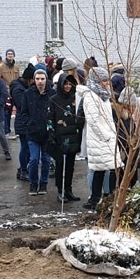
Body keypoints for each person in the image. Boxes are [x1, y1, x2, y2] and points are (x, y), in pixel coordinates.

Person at [80, 67, 123, 209]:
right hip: (101, 139)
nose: (107, 83)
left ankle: (98, 198)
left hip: (106, 137)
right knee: (108, 169)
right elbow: (93, 120)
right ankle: (103, 197)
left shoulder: (102, 95)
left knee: (104, 169)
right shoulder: (91, 96)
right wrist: (106, 136)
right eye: (104, 80)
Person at [47, 72, 83, 202]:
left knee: (70, 166)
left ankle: (69, 189)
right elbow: (50, 119)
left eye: (69, 84)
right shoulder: (54, 100)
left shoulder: (75, 99)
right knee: (60, 165)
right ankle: (60, 190)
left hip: (73, 136)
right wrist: (51, 135)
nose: (67, 86)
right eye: (65, 84)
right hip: (59, 137)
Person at [19, 69, 55, 195]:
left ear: (46, 79)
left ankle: (43, 183)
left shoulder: (52, 93)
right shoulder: (28, 93)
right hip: (32, 133)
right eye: (38, 79)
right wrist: (29, 124)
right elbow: (23, 112)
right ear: (34, 80)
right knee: (34, 159)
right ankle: (33, 183)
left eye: (42, 79)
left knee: (46, 159)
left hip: (47, 133)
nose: (40, 81)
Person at [11, 65, 35, 181]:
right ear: (29, 79)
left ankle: (23, 168)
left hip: (25, 121)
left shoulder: (22, 87)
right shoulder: (18, 90)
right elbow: (22, 106)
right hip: (22, 122)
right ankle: (23, 170)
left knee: (27, 147)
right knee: (25, 147)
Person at [0, 49, 20, 139]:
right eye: (8, 54)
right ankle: (6, 131)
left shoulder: (16, 67)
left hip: (15, 92)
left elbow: (18, 79)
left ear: (14, 56)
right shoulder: (1, 67)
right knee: (6, 113)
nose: (10, 55)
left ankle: (16, 130)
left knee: (18, 111)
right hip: (5, 93)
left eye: (12, 54)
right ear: (6, 55)